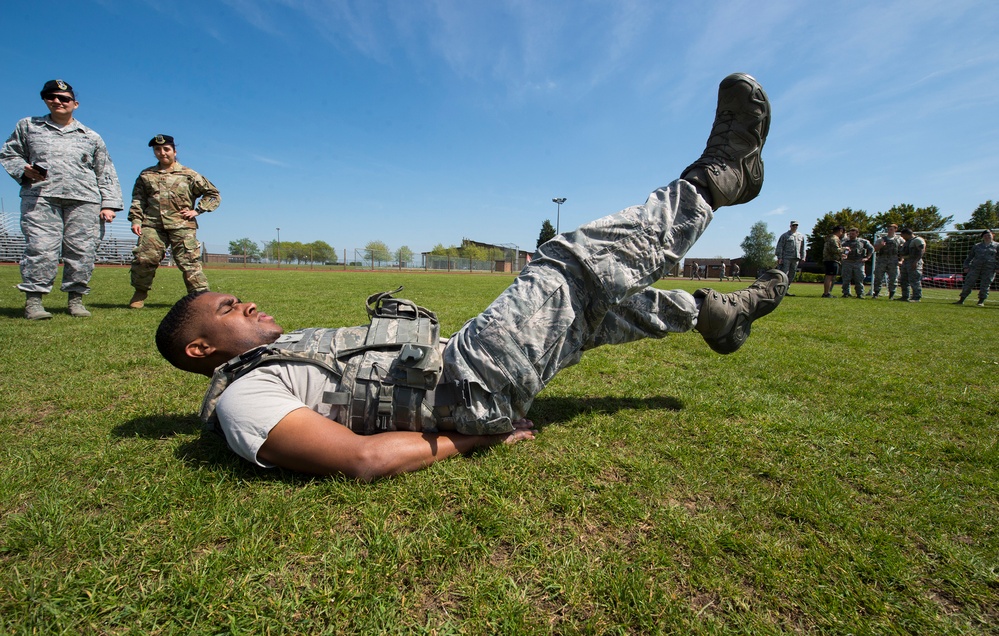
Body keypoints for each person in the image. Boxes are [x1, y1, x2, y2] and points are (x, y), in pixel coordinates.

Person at [156, 73, 788, 480]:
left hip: (462, 366)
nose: (251, 306)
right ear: (200, 349)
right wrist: (477, 438)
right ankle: (715, 181)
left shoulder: (273, 359)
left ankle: (715, 315)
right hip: (469, 389)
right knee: (565, 266)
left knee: (602, 310)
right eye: (231, 308)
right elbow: (360, 459)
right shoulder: (243, 400)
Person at [0, 79, 123, 319]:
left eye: (64, 98)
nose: (57, 101)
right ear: (45, 100)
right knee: (41, 248)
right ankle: (34, 302)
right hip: (41, 197)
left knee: (82, 251)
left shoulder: (91, 136)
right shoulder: (28, 126)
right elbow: (9, 153)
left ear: (75, 104)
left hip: (84, 200)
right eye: (51, 97)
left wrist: (108, 203)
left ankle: (75, 300)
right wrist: (22, 169)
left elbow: (105, 170)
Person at [127, 135, 221, 308]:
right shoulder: (146, 175)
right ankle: (140, 293)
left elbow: (213, 194)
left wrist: (198, 210)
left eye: (166, 149)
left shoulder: (189, 175)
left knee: (189, 262)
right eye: (157, 150)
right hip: (152, 224)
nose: (162, 153)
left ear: (174, 151)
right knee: (144, 259)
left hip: (182, 225)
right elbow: (138, 199)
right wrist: (136, 219)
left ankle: (201, 300)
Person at [954, 229, 998, 307]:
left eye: (989, 235)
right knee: (969, 283)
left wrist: (998, 267)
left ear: (993, 235)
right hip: (975, 267)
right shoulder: (977, 246)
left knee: (985, 284)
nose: (987, 237)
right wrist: (966, 266)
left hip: (989, 268)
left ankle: (981, 301)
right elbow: (970, 257)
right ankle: (962, 299)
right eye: (985, 236)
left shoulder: (997, 246)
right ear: (982, 237)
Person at [872, 223, 904, 299]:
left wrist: (901, 260)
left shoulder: (899, 239)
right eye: (888, 229)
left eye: (891, 229)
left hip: (893, 260)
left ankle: (892, 294)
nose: (889, 231)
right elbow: (874, 249)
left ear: (895, 229)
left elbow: (903, 251)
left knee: (893, 278)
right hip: (882, 260)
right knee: (878, 277)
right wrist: (881, 245)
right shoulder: (881, 239)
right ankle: (876, 293)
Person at [839, 227, 873, 298]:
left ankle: (860, 293)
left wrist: (867, 258)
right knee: (846, 278)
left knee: (859, 278)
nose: (851, 235)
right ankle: (846, 293)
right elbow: (840, 250)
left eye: (853, 234)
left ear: (857, 234)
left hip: (858, 262)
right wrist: (842, 256)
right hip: (847, 262)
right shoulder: (844, 242)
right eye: (850, 234)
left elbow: (871, 249)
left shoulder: (863, 242)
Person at [775, 220, 806, 295]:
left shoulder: (800, 236)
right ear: (790, 226)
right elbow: (780, 246)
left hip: (796, 258)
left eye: (796, 225)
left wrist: (803, 256)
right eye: (793, 225)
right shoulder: (785, 235)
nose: (795, 227)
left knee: (792, 274)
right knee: (784, 274)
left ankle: (786, 290)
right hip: (786, 257)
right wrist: (780, 257)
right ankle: (780, 290)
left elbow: (803, 247)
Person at [897, 227, 925, 302]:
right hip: (906, 261)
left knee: (914, 280)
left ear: (906, 234)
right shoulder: (907, 241)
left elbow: (921, 251)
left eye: (903, 235)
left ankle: (916, 297)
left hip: (913, 261)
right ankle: (905, 296)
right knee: (904, 280)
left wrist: (915, 261)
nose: (902, 237)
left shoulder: (917, 240)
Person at [821, 225, 847, 298]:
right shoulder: (834, 239)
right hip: (831, 260)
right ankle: (826, 293)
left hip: (830, 259)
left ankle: (827, 292)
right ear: (840, 231)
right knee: (829, 276)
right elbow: (835, 250)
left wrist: (840, 256)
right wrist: (844, 249)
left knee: (830, 276)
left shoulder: (830, 238)